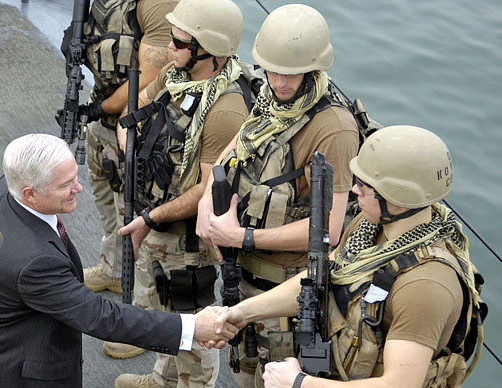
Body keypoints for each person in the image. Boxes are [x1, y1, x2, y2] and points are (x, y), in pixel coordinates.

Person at [210, 125, 483, 388]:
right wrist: (243, 312)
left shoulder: (425, 286)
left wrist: (298, 383)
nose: (354, 190)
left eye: (365, 185)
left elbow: (399, 384)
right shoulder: (370, 227)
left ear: (397, 197)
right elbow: (322, 277)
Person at [0, 133, 238, 388]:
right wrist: (190, 327)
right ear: (30, 193)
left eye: (74, 177)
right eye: (65, 185)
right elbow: (102, 317)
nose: (78, 187)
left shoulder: (7, 188)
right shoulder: (35, 262)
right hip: (19, 373)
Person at [195, 4, 359, 386]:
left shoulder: (333, 130)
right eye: (272, 71)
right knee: (245, 373)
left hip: (287, 292)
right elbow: (236, 146)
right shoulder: (270, 100)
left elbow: (330, 230)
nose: (280, 82)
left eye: (291, 73)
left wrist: (241, 237)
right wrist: (206, 202)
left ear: (314, 68)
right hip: (245, 275)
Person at [112, 0, 252, 386]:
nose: (169, 48)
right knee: (164, 311)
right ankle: (163, 378)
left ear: (209, 52)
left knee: (195, 324)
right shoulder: (177, 75)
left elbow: (208, 190)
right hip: (153, 217)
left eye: (180, 42)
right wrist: (130, 147)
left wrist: (151, 218)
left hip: (187, 239)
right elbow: (135, 109)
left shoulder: (225, 111)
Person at [78, 0, 179, 361]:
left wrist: (101, 110)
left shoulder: (158, 5)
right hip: (102, 118)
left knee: (135, 222)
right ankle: (112, 270)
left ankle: (140, 318)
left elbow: (150, 77)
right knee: (106, 201)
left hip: (137, 125)